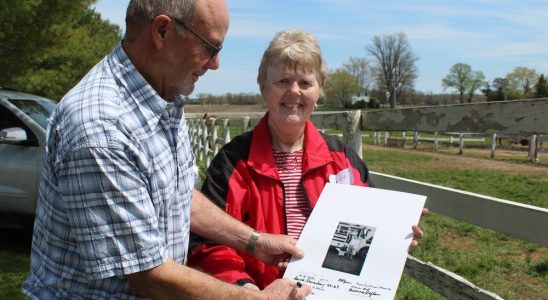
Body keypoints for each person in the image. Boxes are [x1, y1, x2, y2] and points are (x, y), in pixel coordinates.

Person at [22, 1, 311, 299]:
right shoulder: (102, 127)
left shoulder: (162, 99)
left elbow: (178, 196)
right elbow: (148, 274)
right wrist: (259, 298)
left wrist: (255, 242)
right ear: (162, 31)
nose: (215, 64)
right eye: (211, 47)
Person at [188, 29, 425, 290]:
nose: (294, 92)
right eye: (282, 81)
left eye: (305, 83)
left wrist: (394, 232)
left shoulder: (343, 159)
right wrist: (244, 288)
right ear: (264, 89)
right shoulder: (233, 162)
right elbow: (207, 241)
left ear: (318, 92)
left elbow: (367, 229)